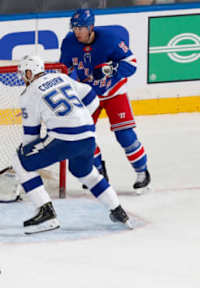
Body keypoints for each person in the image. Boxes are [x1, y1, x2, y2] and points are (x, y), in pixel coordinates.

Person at [12, 55, 132, 233]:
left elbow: (31, 136)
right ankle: (118, 210)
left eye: (23, 74)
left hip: (63, 140)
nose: (23, 78)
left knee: (20, 161)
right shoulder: (61, 77)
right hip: (88, 136)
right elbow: (93, 98)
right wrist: (76, 119)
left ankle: (46, 213)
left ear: (30, 72)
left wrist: (25, 154)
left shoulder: (29, 94)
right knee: (84, 172)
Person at [60, 8, 151, 194]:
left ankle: (142, 172)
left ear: (91, 27)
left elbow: (131, 64)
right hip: (88, 94)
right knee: (84, 136)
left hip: (114, 91)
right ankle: (98, 173)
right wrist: (72, 80)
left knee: (124, 134)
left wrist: (109, 70)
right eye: (74, 28)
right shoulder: (69, 43)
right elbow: (64, 68)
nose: (77, 32)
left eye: (81, 28)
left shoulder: (111, 39)